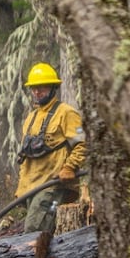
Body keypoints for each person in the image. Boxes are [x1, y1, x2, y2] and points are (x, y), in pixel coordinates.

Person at [14, 62, 86, 234]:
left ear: (53, 87)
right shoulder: (31, 118)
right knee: (44, 235)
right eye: (34, 88)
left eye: (42, 87)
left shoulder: (67, 113)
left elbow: (83, 142)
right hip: (31, 188)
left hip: (53, 187)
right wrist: (21, 188)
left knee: (34, 231)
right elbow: (25, 156)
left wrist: (70, 167)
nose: (37, 92)